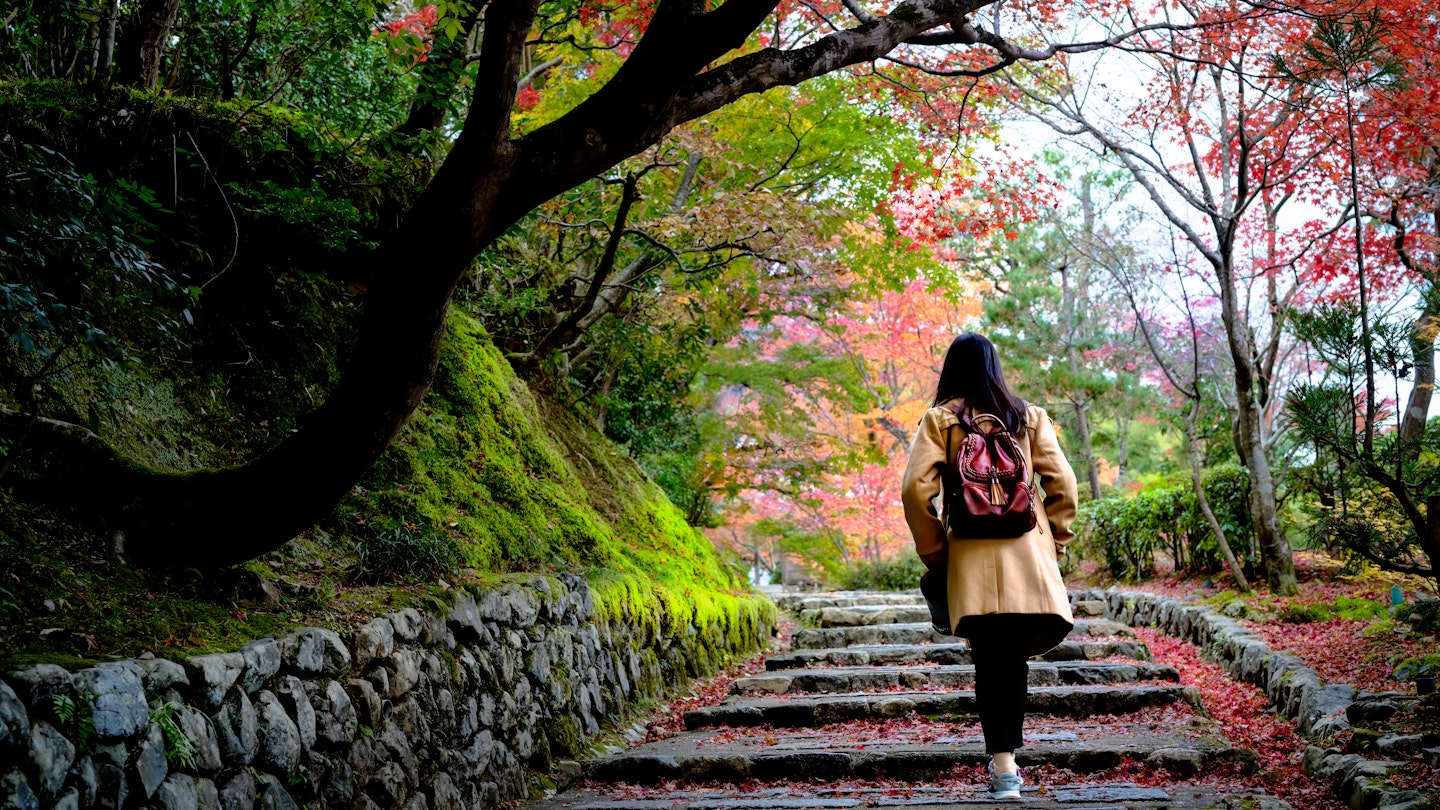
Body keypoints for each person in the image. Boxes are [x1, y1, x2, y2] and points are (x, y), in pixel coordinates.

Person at [900, 332, 1079, 801]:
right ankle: (1008, 768)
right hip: (1027, 557)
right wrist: (1056, 544)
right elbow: (1063, 483)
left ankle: (1004, 769)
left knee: (989, 659)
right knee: (1012, 659)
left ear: (951, 371)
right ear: (994, 368)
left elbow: (915, 491)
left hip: (970, 559)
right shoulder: (1027, 416)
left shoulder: (941, 420)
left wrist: (936, 554)